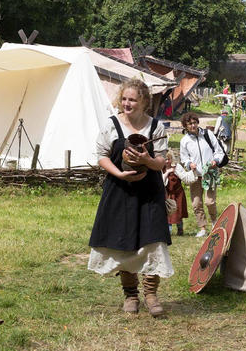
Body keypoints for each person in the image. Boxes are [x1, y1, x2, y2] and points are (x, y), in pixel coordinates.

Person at [88, 78, 171, 317]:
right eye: (124, 98)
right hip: (119, 191)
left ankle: (152, 295)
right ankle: (131, 295)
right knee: (123, 243)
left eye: (132, 99)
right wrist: (120, 174)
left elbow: (161, 162)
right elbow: (102, 155)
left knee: (153, 241)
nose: (127, 103)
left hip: (149, 193)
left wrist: (146, 160)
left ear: (143, 101)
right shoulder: (112, 125)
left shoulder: (156, 128)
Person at [179, 112, 225, 238]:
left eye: (194, 122)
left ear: (197, 122)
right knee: (196, 203)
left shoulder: (208, 134)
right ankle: (203, 228)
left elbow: (219, 151)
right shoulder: (185, 141)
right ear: (185, 126)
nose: (193, 125)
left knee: (210, 202)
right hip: (195, 175)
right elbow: (184, 158)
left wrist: (215, 160)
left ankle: (215, 223)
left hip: (210, 173)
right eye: (190, 124)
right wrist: (189, 164)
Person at [163, 151, 191, 236]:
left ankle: (180, 230)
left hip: (178, 193)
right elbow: (162, 181)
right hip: (167, 194)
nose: (167, 161)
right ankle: (168, 232)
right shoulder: (161, 168)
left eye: (168, 159)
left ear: (171, 159)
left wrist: (175, 171)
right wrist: (167, 172)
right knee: (167, 212)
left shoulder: (177, 167)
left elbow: (185, 178)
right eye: (165, 159)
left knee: (178, 212)